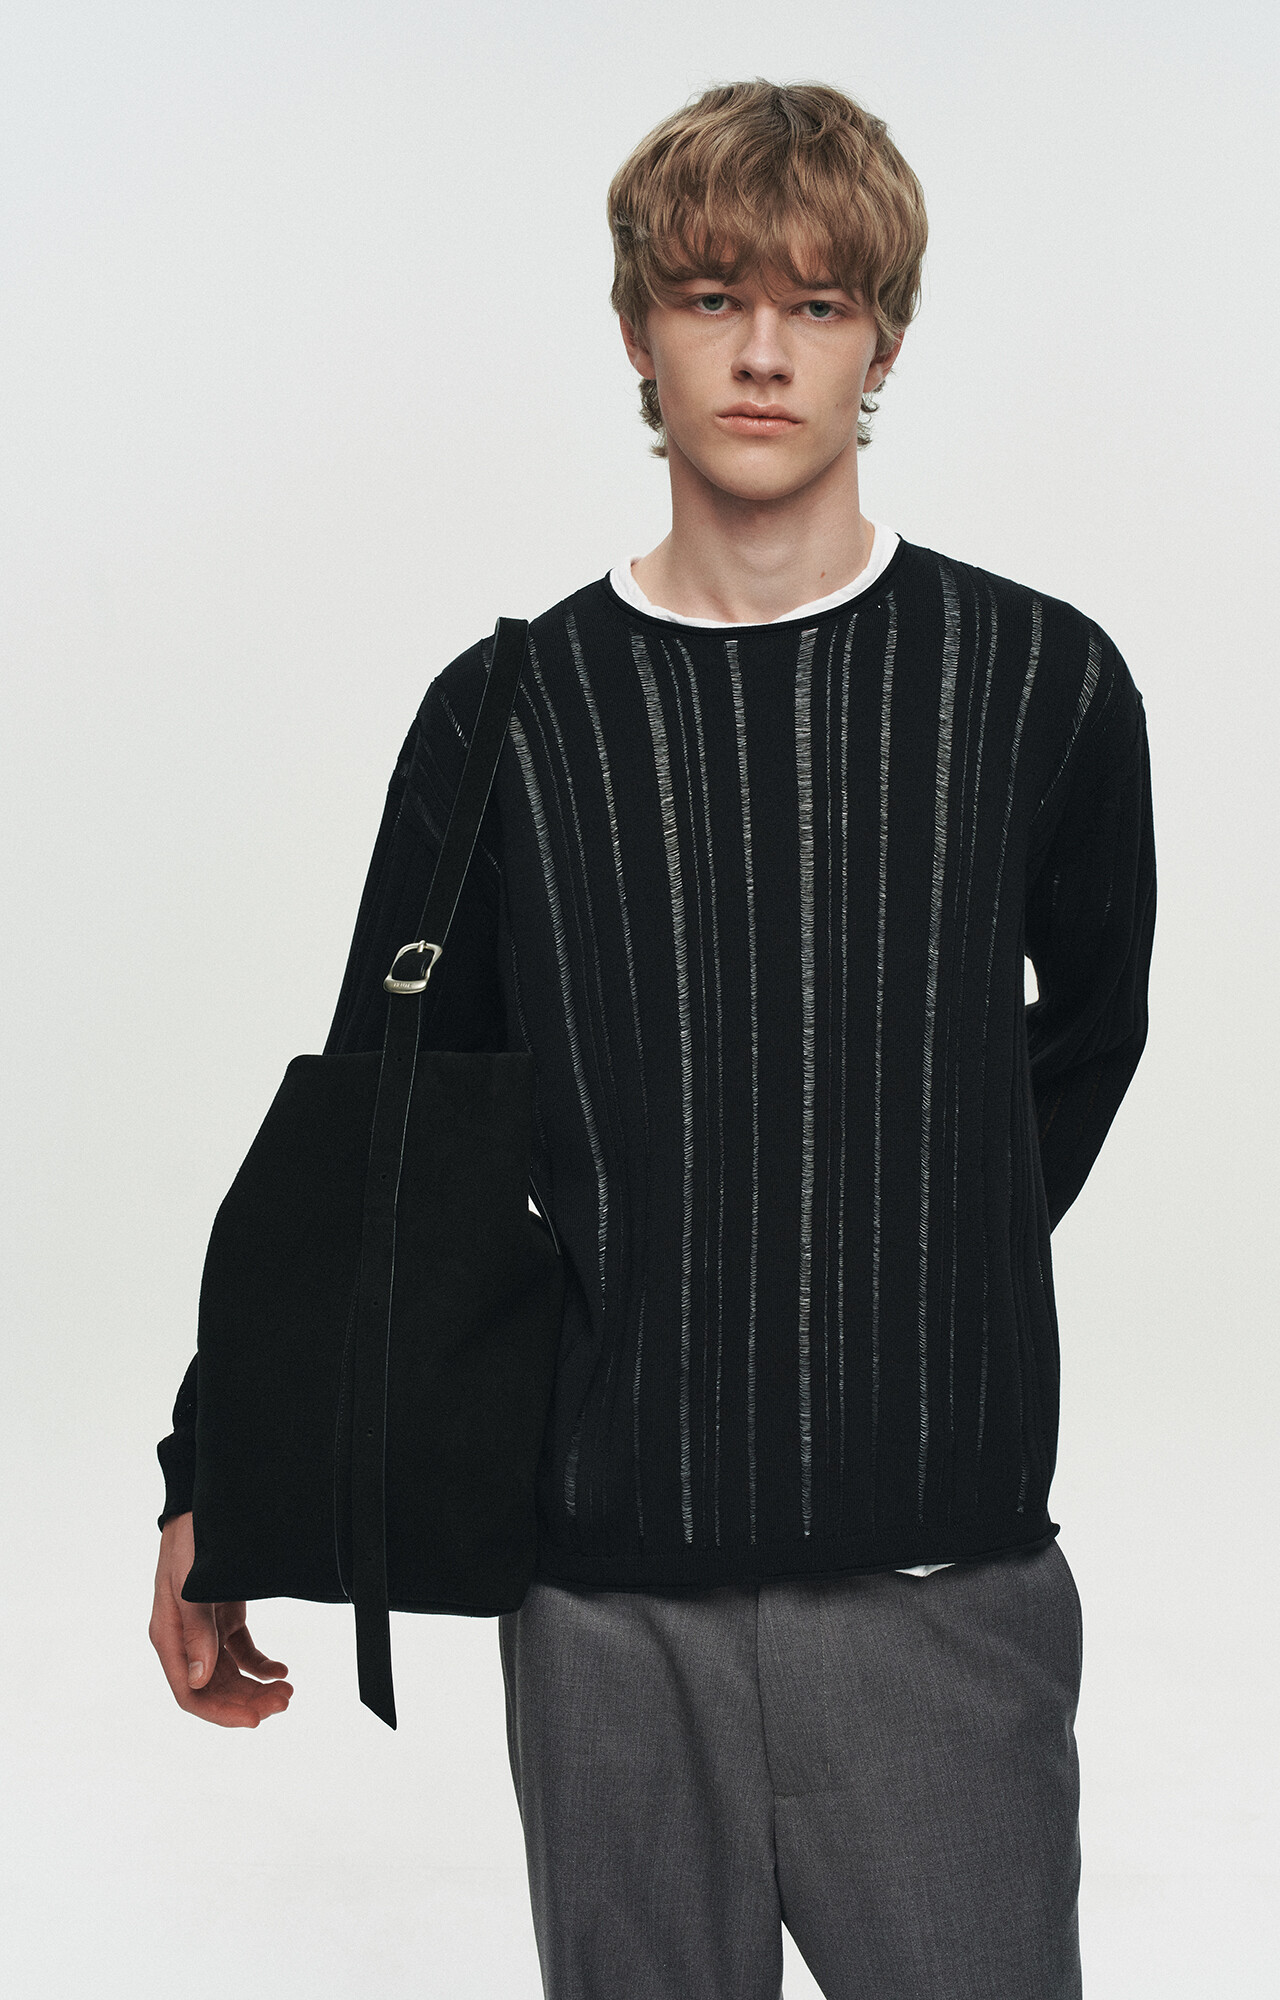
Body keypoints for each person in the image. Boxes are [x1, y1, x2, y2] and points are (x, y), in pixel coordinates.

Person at [150, 78, 1156, 2000]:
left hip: (939, 1590)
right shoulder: (508, 714)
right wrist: (216, 1479)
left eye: (818, 304)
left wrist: (916, 1262)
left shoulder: (1039, 681)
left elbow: (1091, 1026)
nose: (764, 351)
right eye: (711, 298)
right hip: (605, 1599)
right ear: (638, 330)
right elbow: (379, 1127)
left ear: (881, 341)